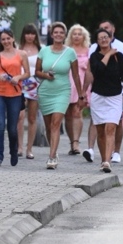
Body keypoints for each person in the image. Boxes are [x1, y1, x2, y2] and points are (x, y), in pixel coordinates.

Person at [81, 27, 123, 173]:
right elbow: (98, 71)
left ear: (111, 38)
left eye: (106, 37)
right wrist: (109, 53)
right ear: (97, 41)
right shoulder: (94, 56)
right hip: (98, 96)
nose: (104, 40)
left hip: (115, 96)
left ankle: (107, 161)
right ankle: (104, 156)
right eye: (100, 38)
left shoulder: (119, 56)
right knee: (100, 130)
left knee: (110, 127)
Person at [35, 22, 81, 169]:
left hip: (62, 91)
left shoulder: (70, 53)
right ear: (51, 34)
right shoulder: (44, 51)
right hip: (46, 91)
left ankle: (52, 157)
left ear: (65, 35)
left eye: (61, 32)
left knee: (56, 123)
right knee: (49, 126)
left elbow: (75, 75)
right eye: (56, 32)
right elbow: (36, 72)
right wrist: (46, 75)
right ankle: (52, 150)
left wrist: (81, 94)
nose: (58, 35)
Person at [0, 28, 30, 166]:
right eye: (3, 39)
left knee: (12, 128)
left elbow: (28, 73)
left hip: (15, 93)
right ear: (0, 41)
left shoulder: (21, 54)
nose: (6, 41)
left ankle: (14, 150)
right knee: (0, 125)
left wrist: (18, 77)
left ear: (13, 39)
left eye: (8, 38)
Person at [64, 23, 92, 155]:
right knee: (68, 114)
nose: (76, 36)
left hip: (81, 84)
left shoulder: (88, 50)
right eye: (74, 34)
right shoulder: (66, 49)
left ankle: (76, 142)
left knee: (77, 112)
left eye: (79, 34)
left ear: (83, 36)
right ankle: (71, 142)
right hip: (67, 83)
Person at [16, 23, 42, 160]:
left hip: (35, 83)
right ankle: (19, 147)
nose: (30, 36)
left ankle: (29, 149)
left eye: (32, 34)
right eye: (27, 33)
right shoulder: (18, 48)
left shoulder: (41, 49)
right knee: (19, 116)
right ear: (23, 35)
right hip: (20, 82)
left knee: (32, 117)